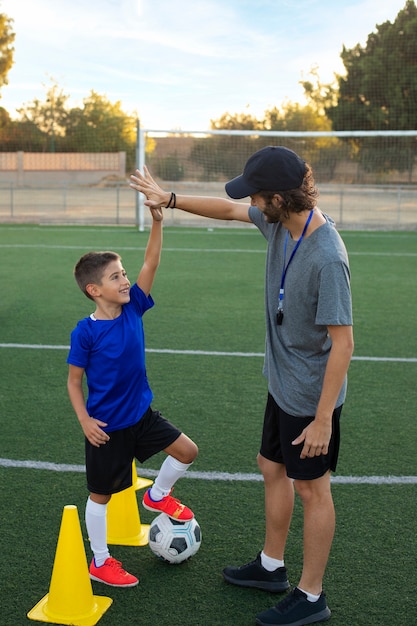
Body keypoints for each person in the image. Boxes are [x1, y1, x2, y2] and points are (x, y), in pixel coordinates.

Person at [130, 146, 354, 625]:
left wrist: (322, 420)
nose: (250, 200)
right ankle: (271, 568)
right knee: (270, 465)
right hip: (282, 384)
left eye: (257, 193)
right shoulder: (279, 221)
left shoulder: (327, 256)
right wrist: (169, 199)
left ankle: (312, 596)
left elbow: (344, 343)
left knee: (313, 491)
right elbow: (229, 209)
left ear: (278, 196)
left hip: (311, 397)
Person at [67, 206, 198, 588]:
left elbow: (151, 262)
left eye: (124, 273)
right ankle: (101, 560)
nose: (125, 281)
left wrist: (157, 221)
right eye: (115, 277)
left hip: (142, 416)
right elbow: (74, 382)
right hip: (107, 428)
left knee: (188, 451)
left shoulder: (133, 308)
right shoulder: (85, 333)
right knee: (100, 496)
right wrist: (85, 421)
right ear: (95, 290)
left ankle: (157, 495)